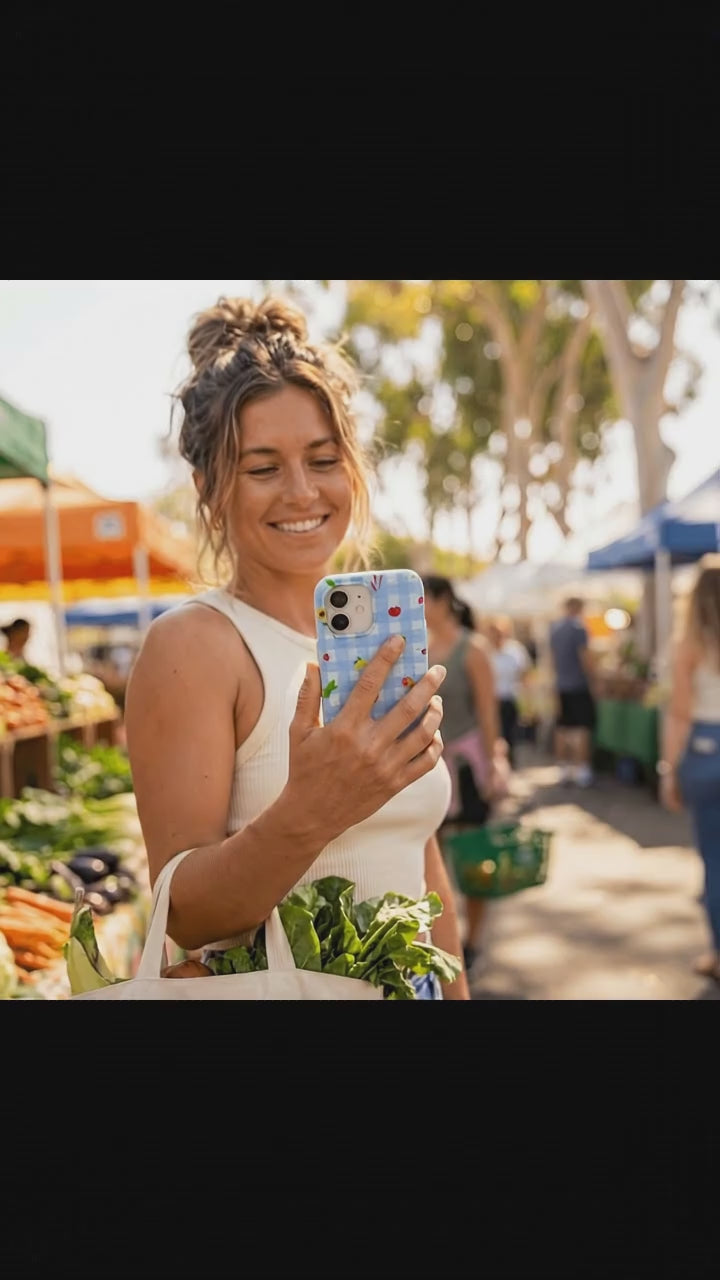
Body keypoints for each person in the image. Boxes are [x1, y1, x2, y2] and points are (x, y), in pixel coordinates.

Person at [124, 295, 469, 1000]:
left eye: (323, 459)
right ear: (209, 490)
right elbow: (184, 916)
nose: (303, 492)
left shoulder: (378, 640)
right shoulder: (194, 646)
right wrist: (313, 808)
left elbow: (420, 857)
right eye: (262, 469)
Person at [422, 575, 508, 972]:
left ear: (443, 601)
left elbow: (489, 712)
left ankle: (472, 941)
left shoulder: (471, 649)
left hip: (468, 766)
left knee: (475, 856)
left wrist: (493, 765)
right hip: (427, 766)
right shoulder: (417, 648)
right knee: (429, 858)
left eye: (423, 597)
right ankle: (440, 940)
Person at [659, 555, 720, 983]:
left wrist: (668, 770)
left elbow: (679, 714)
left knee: (714, 861)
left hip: (705, 749)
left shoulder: (689, 646)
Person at [549, 596, 596, 787]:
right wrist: (594, 679)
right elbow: (585, 658)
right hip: (577, 685)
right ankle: (581, 768)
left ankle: (564, 768)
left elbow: (552, 660)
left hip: (561, 685)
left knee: (563, 728)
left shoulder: (555, 629)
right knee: (581, 728)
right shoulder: (578, 628)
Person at [487, 617, 530, 768]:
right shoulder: (485, 651)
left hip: (511, 698)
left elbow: (524, 673)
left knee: (510, 733)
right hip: (492, 700)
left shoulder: (515, 650)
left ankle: (509, 763)